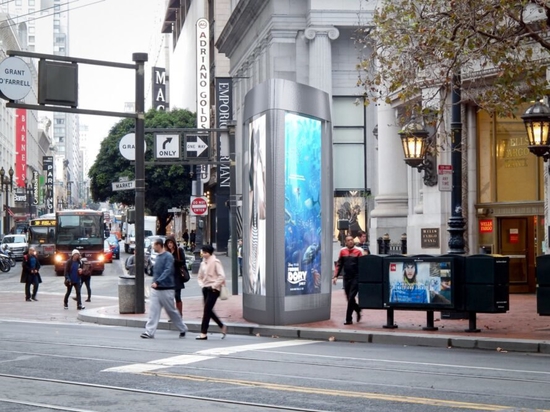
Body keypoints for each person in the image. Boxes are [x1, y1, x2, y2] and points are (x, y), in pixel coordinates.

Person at [140, 238, 188, 339]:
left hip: (167, 289)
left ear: (159, 245)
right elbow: (156, 272)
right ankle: (149, 332)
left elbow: (168, 270)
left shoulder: (168, 256)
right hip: (156, 289)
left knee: (171, 311)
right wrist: (154, 281)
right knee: (153, 311)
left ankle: (182, 328)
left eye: (154, 245)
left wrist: (158, 282)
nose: (153, 247)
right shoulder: (158, 257)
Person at [196, 244, 227, 340]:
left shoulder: (215, 262)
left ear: (209, 253)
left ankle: (203, 333)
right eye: (203, 252)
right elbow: (199, 277)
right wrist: (202, 285)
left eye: (205, 252)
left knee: (206, 310)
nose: (203, 254)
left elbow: (222, 276)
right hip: (205, 288)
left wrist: (214, 286)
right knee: (208, 310)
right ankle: (222, 326)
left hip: (214, 289)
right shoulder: (202, 263)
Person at [333, 235, 365, 325]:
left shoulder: (359, 251)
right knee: (348, 298)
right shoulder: (342, 251)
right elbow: (339, 264)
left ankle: (348, 319)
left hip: (356, 277)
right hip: (346, 278)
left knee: (351, 297)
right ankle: (358, 309)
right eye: (348, 240)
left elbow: (362, 265)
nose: (350, 241)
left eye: (351, 240)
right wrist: (335, 276)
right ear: (345, 242)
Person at [165, 235, 188, 318]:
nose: (169, 244)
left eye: (171, 242)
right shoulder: (167, 252)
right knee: (170, 297)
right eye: (168, 243)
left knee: (177, 296)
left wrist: (174, 260)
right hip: (170, 278)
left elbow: (183, 262)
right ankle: (173, 316)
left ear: (173, 243)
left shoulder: (179, 250)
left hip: (178, 277)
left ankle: (179, 314)